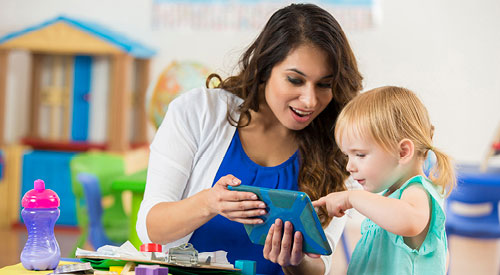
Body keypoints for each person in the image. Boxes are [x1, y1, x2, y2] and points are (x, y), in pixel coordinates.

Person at [136, 3, 362, 274]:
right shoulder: (198, 112)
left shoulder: (341, 150)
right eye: (295, 80)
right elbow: (151, 228)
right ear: (266, 69)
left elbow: (319, 266)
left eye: (324, 84)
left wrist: (295, 261)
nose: (310, 100)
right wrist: (209, 203)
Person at [313, 86, 455, 275]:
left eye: (360, 155)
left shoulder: (417, 192)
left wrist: (351, 198)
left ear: (403, 152)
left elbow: (409, 220)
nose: (349, 166)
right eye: (348, 156)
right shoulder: (389, 199)